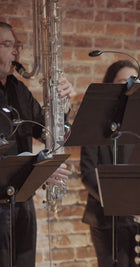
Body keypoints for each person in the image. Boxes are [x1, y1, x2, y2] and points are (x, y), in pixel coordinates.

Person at [0, 21, 76, 267]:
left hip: (22, 201)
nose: (16, 52)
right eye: (8, 45)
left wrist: (61, 104)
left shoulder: (17, 89)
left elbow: (45, 132)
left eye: (17, 45)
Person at [80, 60, 140, 267]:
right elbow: (88, 173)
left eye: (134, 82)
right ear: (109, 86)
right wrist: (120, 201)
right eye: (122, 82)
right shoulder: (95, 121)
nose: (129, 87)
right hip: (107, 219)